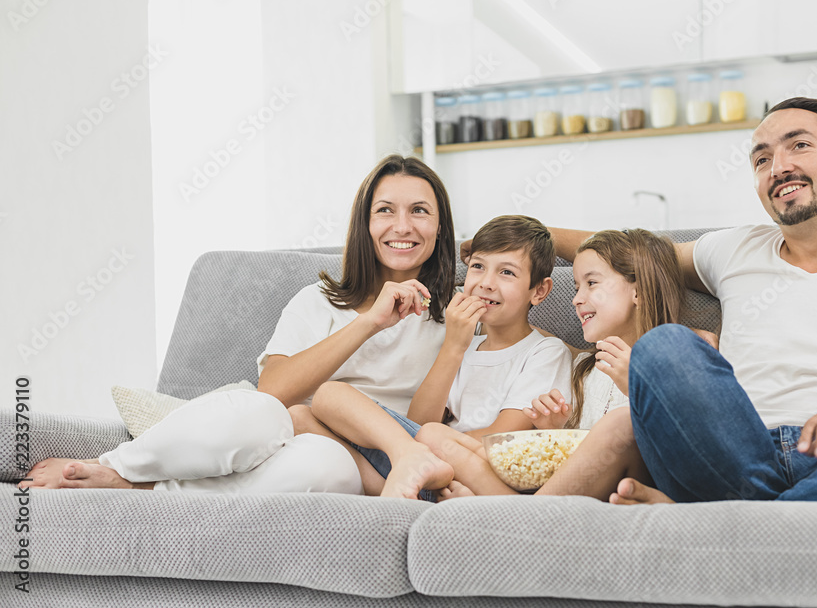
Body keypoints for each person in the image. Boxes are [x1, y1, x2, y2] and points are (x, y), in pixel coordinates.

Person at [540, 97, 817, 504]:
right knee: (664, 347)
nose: (777, 166)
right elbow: (629, 255)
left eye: (798, 145)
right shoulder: (735, 249)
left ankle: (771, 516)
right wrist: (531, 237)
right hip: (734, 457)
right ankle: (807, 514)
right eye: (762, 158)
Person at [21, 155, 457, 495]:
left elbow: (426, 425)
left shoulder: (455, 321)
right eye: (385, 210)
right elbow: (273, 392)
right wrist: (370, 322)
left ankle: (139, 488)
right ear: (365, 224)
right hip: (277, 431)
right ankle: (115, 467)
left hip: (347, 457)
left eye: (419, 211)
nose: (402, 226)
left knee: (326, 468)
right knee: (256, 412)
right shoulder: (317, 300)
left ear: (440, 229)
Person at [309, 215, 574, 499]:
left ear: (540, 290)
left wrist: (439, 442)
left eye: (506, 272)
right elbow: (420, 419)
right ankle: (400, 481)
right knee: (306, 412)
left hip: (476, 468)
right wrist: (454, 346)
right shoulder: (465, 344)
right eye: (478, 267)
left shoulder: (545, 351)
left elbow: (502, 440)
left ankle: (418, 471)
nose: (486, 283)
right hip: (430, 463)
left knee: (431, 434)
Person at [425, 228, 692, 500]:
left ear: (639, 292)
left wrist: (637, 385)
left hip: (627, 482)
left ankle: (515, 512)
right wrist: (555, 427)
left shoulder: (675, 360)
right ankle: (507, 505)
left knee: (621, 423)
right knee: (431, 435)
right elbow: (527, 335)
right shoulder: (584, 367)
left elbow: (686, 439)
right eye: (577, 287)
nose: (576, 298)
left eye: (592, 283)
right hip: (569, 492)